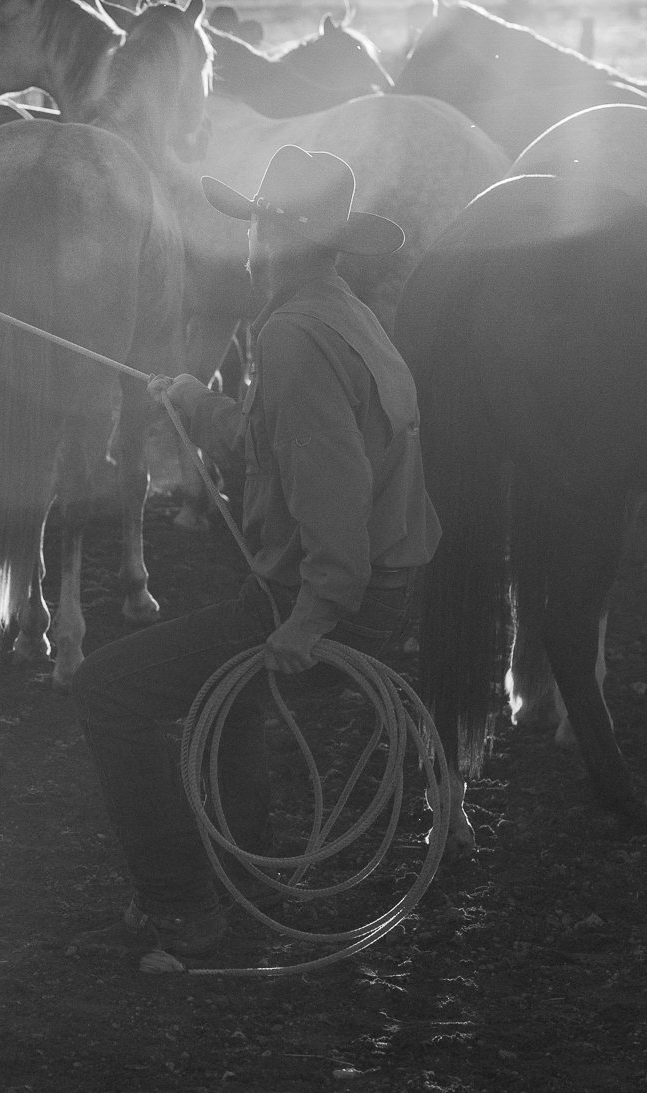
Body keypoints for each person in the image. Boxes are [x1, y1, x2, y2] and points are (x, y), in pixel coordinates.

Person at [71, 144, 441, 965]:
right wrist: (199, 405)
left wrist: (310, 617)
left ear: (269, 238)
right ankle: (250, 882)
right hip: (382, 574)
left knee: (109, 689)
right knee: (222, 696)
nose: (244, 239)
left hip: (332, 587)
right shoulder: (340, 313)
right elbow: (289, 444)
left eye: (254, 224)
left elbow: (334, 498)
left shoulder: (293, 338)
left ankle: (182, 911)